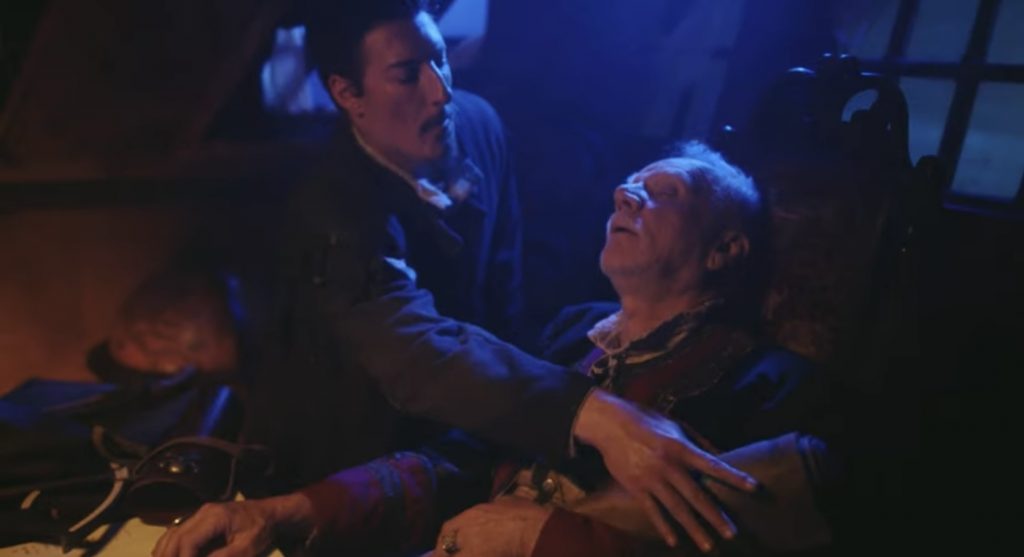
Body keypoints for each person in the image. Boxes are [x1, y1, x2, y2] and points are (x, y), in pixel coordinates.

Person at [234, 0, 753, 550]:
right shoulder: (330, 205)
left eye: (440, 59)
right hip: (354, 433)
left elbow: (504, 298)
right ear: (347, 94)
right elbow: (413, 348)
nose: (440, 92)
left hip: (471, 437)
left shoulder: (477, 125)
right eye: (406, 75)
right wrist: (587, 413)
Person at [153, 142, 835, 557]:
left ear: (724, 249)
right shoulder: (569, 336)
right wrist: (285, 511)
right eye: (629, 182)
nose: (626, 193)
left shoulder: (770, 384)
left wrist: (539, 538)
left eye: (664, 192)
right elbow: (455, 464)